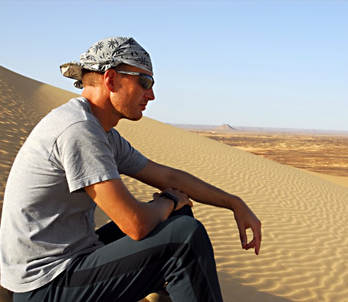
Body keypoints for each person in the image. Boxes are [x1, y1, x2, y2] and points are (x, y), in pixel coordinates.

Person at [0, 37, 261, 302]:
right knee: (184, 239)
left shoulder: (101, 132)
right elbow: (135, 225)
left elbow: (168, 177)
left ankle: (165, 288)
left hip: (73, 260)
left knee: (177, 215)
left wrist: (234, 203)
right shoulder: (78, 130)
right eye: (144, 82)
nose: (151, 95)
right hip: (44, 286)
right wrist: (169, 200)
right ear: (111, 79)